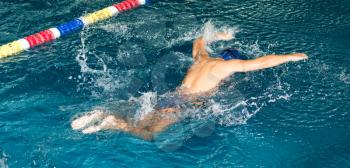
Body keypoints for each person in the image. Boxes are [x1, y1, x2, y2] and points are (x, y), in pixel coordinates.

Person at [71, 31, 308, 140]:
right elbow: (261, 62)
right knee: (149, 135)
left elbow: (199, 40)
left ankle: (104, 114)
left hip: (169, 96)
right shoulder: (225, 67)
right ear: (232, 61)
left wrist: (219, 35)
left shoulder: (202, 58)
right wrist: (292, 56)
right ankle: (112, 122)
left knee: (141, 120)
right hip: (181, 104)